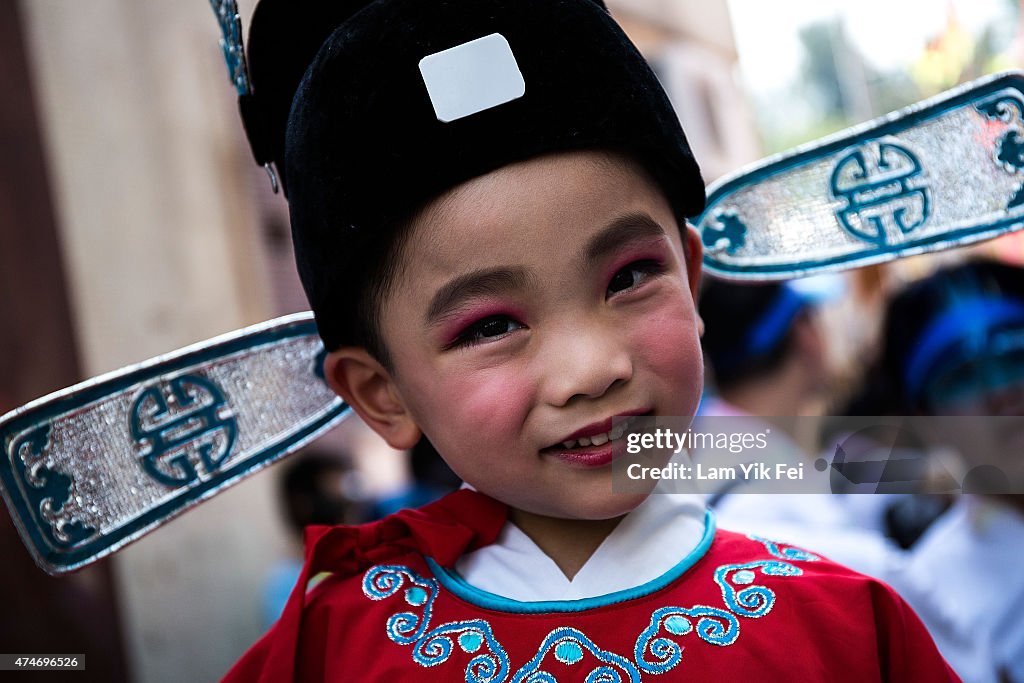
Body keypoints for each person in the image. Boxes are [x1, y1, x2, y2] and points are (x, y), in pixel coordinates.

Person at [222, 0, 958, 680]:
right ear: (382, 392)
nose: (592, 367)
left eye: (630, 276)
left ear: (691, 276)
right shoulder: (329, 650)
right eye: (490, 326)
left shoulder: (849, 627)